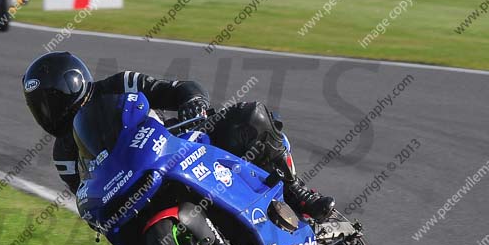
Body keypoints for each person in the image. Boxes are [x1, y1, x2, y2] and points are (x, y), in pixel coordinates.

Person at [22, 52, 335, 223]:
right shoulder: (63, 155)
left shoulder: (118, 84)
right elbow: (86, 196)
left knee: (250, 116)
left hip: (180, 146)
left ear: (72, 84)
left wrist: (191, 103)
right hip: (135, 196)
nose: (49, 112)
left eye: (52, 100)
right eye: (40, 107)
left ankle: (297, 191)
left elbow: (174, 89)